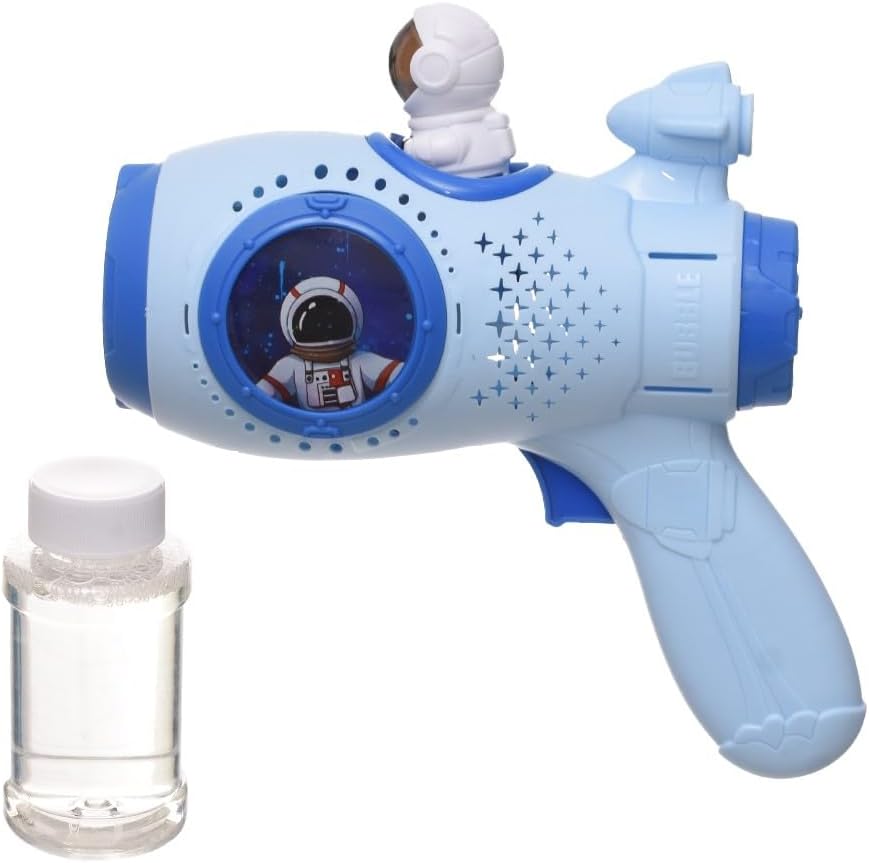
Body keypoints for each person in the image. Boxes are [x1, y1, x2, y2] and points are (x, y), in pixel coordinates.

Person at [389, 3, 515, 178]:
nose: (402, 72)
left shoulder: (457, 134)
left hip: (467, 186)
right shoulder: (480, 123)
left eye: (408, 61)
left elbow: (442, 148)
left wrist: (409, 148)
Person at [257, 276, 403, 410]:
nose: (322, 327)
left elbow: (396, 373)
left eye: (332, 319)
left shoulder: (358, 360)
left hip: (355, 423)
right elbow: (266, 390)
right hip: (308, 424)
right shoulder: (292, 364)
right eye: (313, 322)